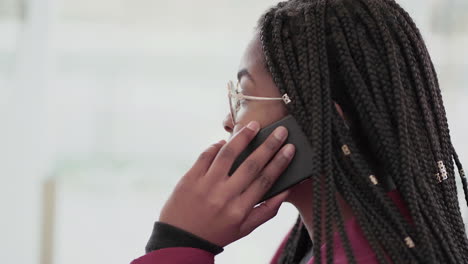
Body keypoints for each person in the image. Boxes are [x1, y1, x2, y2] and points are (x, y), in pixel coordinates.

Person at [131, 0, 468, 263]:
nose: (228, 121)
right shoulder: (328, 240)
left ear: (322, 125)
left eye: (244, 97)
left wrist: (178, 244)